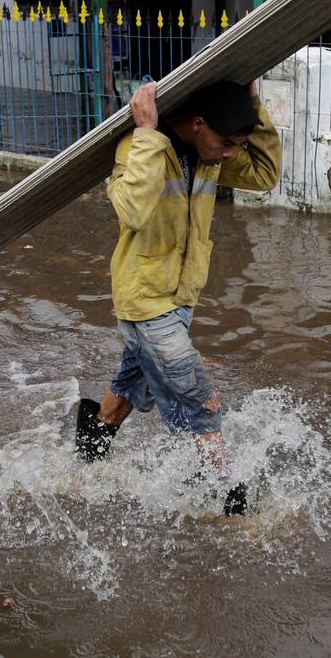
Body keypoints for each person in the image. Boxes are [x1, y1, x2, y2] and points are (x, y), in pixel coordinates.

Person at [75, 78, 282, 515]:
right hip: (146, 300)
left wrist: (252, 105)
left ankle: (88, 448)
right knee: (198, 398)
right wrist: (148, 133)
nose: (230, 153)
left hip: (182, 294)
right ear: (199, 124)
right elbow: (131, 211)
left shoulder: (211, 154)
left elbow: (265, 173)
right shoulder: (138, 146)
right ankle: (234, 509)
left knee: (133, 381)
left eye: (236, 144)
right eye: (227, 143)